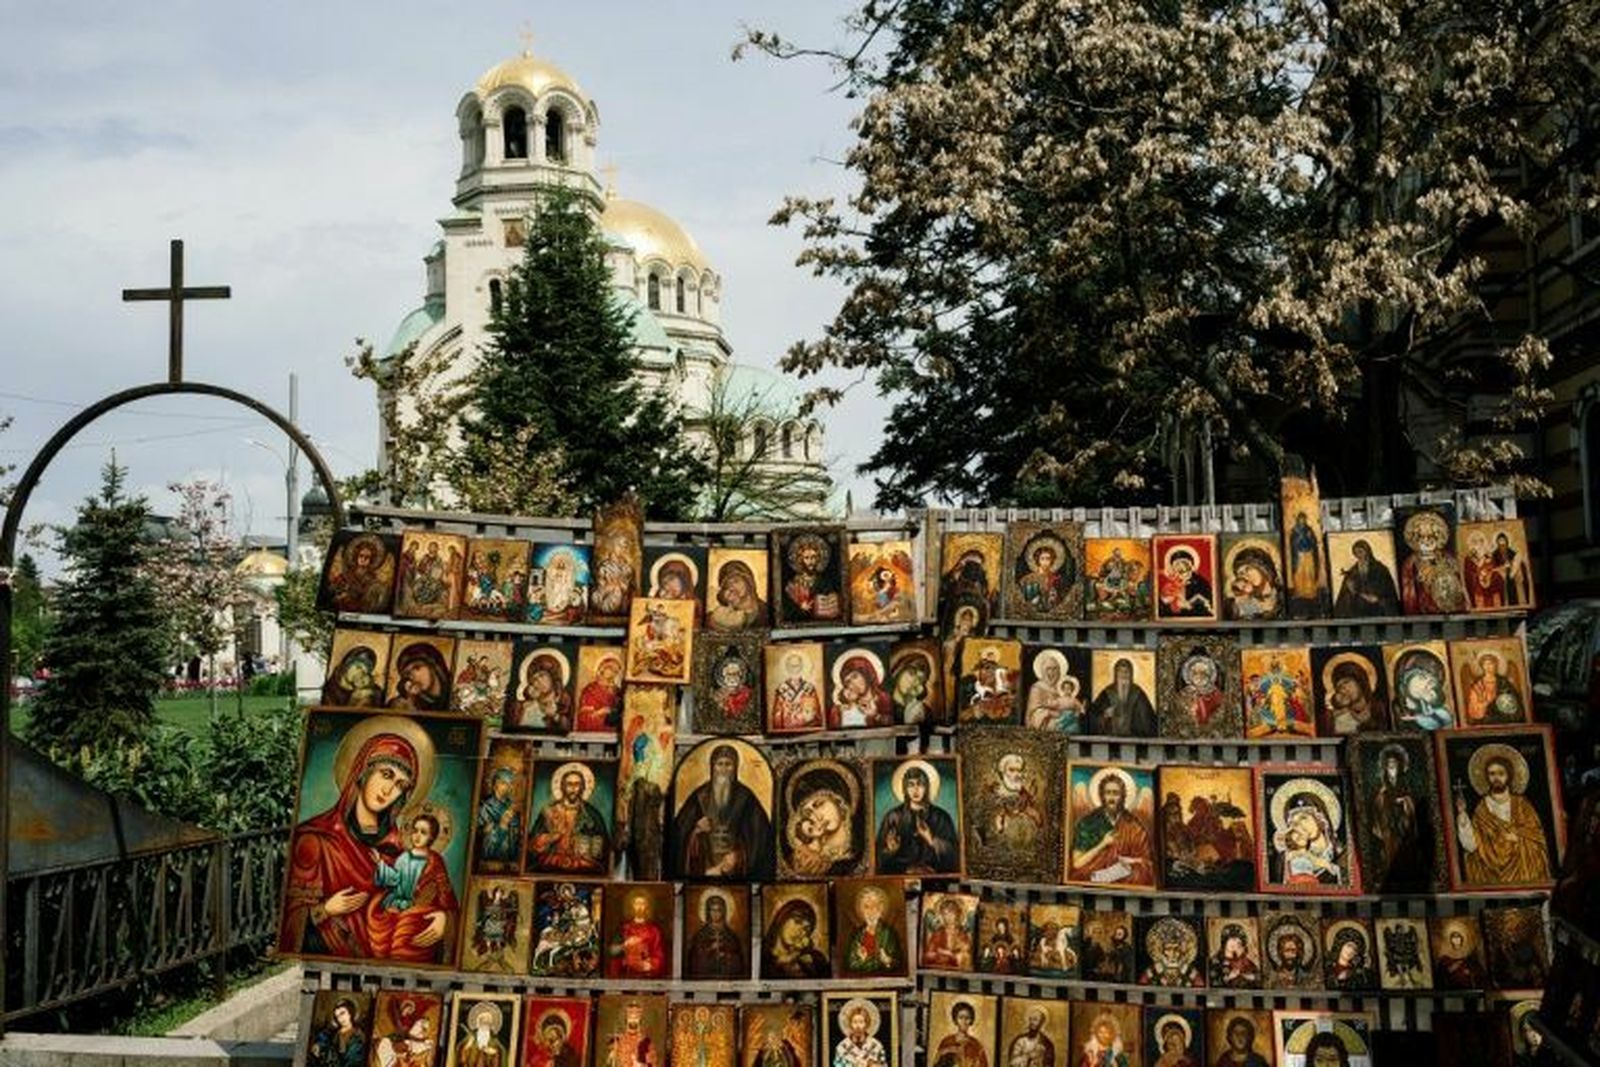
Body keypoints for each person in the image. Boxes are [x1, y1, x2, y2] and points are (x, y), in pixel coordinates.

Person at [279, 725, 458, 964]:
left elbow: (441, 902)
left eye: (400, 786)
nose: (389, 790)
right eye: (386, 775)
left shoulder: (403, 847)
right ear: (363, 771)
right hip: (336, 958)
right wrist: (325, 910)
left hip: (396, 961)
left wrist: (444, 920)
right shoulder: (315, 840)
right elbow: (292, 920)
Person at [671, 744, 775, 879]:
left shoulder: (746, 797)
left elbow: (761, 836)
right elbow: (679, 833)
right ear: (712, 767)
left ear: (736, 767)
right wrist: (695, 830)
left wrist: (739, 856)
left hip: (737, 872)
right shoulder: (699, 796)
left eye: (728, 764)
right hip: (704, 869)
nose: (724, 769)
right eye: (719, 764)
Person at [1455, 751, 1553, 885]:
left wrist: (1518, 838)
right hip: (1489, 869)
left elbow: (1537, 836)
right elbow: (1471, 845)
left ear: (1509, 775)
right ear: (1486, 776)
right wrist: (1462, 815)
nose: (1496, 778)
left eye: (1501, 773)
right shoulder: (1482, 808)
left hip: (1522, 866)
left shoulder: (1521, 804)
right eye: (1492, 774)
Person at [1069, 771, 1155, 886]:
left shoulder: (1133, 825)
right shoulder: (1088, 823)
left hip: (1126, 877)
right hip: (1094, 877)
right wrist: (1103, 844)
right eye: (1108, 793)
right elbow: (1077, 864)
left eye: (1116, 793)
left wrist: (1132, 861)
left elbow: (1148, 862)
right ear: (1101, 796)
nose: (1111, 798)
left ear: (1123, 796)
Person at [875, 762, 961, 875]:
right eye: (911, 785)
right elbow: (878, 858)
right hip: (901, 876)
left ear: (927, 787)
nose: (915, 789)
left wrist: (931, 840)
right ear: (905, 788)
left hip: (935, 878)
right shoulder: (893, 817)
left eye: (920, 784)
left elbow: (954, 856)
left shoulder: (941, 816)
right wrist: (890, 851)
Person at [527, 765, 611, 874]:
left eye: (577, 785)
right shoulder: (548, 811)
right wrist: (552, 837)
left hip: (582, 864)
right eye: (569, 784)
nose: (573, 789)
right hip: (552, 862)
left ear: (583, 787)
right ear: (562, 786)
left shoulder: (592, 814)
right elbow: (532, 843)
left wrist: (588, 847)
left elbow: (604, 846)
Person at [1368, 745, 1429, 890]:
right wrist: (1382, 799)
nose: (1391, 768)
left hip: (1404, 824)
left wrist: (1405, 802)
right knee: (1390, 850)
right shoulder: (1382, 786)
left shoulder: (1406, 783)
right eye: (1389, 765)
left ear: (1399, 766)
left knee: (1407, 851)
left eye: (1394, 765)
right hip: (1389, 825)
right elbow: (1378, 803)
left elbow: (1412, 801)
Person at [976, 754, 1044, 852]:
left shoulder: (1024, 794)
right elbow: (983, 822)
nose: (1016, 775)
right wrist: (998, 821)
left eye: (1019, 770)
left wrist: (1032, 815)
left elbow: (1037, 821)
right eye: (1012, 770)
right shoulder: (992, 793)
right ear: (1002, 772)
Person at [1087, 658, 1157, 737]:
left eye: (1126, 672)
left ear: (1131, 674)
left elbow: (1148, 721)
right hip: (1110, 740)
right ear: (1116, 674)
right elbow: (1092, 718)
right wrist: (1105, 716)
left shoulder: (1138, 693)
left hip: (1134, 740)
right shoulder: (1107, 693)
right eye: (1120, 671)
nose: (1123, 675)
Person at [761, 898, 830, 978]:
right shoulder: (763, 955)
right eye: (797, 921)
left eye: (806, 929)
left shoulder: (815, 959)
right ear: (781, 919)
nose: (800, 931)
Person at [842, 885, 903, 976]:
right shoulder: (857, 935)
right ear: (861, 910)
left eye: (875, 906)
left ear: (880, 909)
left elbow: (898, 962)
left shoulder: (889, 933)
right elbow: (850, 964)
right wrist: (862, 959)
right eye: (866, 907)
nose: (871, 912)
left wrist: (887, 960)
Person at [685, 893, 746, 979]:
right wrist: (709, 950)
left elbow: (738, 962)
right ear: (708, 912)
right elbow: (694, 960)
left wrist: (726, 955)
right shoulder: (700, 935)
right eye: (712, 910)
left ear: (724, 912)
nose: (715, 913)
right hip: (704, 981)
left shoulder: (731, 936)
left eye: (719, 910)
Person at [1333, 538, 1400, 616]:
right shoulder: (1352, 572)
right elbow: (1343, 598)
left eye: (1361, 552)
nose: (1359, 556)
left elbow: (1389, 591)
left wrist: (1378, 598)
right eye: (1356, 553)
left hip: (1377, 609)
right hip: (1358, 610)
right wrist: (1350, 590)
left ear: (1367, 551)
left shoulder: (1380, 569)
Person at [606, 892, 667, 978]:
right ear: (632, 906)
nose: (639, 907)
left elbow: (659, 956)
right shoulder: (624, 929)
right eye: (637, 903)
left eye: (642, 904)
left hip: (646, 975)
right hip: (626, 974)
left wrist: (650, 964)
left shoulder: (654, 931)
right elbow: (612, 951)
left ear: (647, 907)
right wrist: (625, 945)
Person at [1461, 651, 1526, 725]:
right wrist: (1485, 704)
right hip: (1486, 719)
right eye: (1485, 664)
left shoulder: (1504, 682)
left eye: (1491, 664)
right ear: (1482, 666)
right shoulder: (1478, 685)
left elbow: (1514, 702)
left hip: (1504, 717)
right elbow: (1473, 708)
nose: (1488, 667)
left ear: (1496, 665)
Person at [475, 768, 522, 867]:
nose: (507, 787)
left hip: (509, 856)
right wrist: (500, 826)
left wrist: (515, 827)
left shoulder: (510, 806)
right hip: (490, 857)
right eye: (503, 783)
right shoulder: (485, 806)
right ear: (494, 785)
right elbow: (480, 832)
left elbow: (516, 831)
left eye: (509, 784)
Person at [831, 655, 894, 728]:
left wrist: (876, 716)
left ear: (866, 674)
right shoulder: (840, 710)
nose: (853, 684)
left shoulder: (885, 699)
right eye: (848, 682)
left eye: (855, 676)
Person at [1026, 653, 1084, 732]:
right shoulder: (1037, 688)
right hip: (1046, 724)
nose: (1052, 672)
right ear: (1043, 671)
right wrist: (1049, 713)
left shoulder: (1062, 687)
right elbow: (1033, 714)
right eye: (1048, 669)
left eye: (1055, 669)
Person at [771, 653, 824, 731]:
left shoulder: (809, 688)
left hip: (807, 727)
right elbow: (777, 716)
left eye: (797, 666)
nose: (794, 669)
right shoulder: (781, 689)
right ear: (787, 668)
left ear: (801, 667)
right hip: (787, 729)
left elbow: (816, 714)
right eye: (791, 666)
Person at [709, 559, 766, 631]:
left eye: (736, 581)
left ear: (748, 582)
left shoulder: (765, 612)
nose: (732, 588)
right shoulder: (719, 616)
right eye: (727, 585)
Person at [308, 997, 366, 1067]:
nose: (340, 1019)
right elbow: (323, 1039)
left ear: (350, 1012)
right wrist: (318, 1045)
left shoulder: (358, 1035)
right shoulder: (333, 1033)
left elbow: (354, 1059)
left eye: (342, 1013)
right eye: (337, 1016)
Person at [921, 897, 973, 970]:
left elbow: (968, 955)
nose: (948, 917)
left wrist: (951, 955)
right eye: (945, 914)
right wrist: (940, 954)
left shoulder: (962, 934)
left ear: (957, 914)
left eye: (951, 913)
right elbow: (927, 955)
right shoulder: (938, 933)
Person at [1158, 548, 1213, 618]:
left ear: (1191, 566)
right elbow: (1162, 608)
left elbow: (1208, 605)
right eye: (1179, 568)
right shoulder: (1170, 584)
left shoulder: (1201, 583)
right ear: (1174, 569)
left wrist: (1189, 605)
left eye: (1185, 566)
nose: (1183, 571)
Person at [933, 1001, 990, 1067]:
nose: (964, 1022)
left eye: (967, 1018)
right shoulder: (947, 1042)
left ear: (971, 1020)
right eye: (961, 1018)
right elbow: (937, 1064)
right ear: (955, 1020)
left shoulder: (976, 1045)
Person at [576, 654, 623, 732]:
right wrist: (601, 712)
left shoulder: (617, 691)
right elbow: (584, 718)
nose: (613, 673)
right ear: (602, 669)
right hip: (594, 732)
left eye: (616, 671)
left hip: (612, 731)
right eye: (610, 668)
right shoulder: (590, 690)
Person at [833, 1002, 888, 1067]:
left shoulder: (876, 1046)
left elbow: (883, 1065)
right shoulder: (842, 1047)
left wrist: (870, 1065)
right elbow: (837, 1065)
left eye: (861, 1022)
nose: (858, 1026)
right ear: (850, 1024)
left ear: (867, 1024)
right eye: (855, 1022)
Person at [707, 654, 757, 725]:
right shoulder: (719, 694)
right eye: (729, 674)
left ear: (740, 675)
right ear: (723, 675)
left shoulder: (745, 693)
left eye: (735, 674)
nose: (732, 678)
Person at [455, 1001, 508, 1067]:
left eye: (488, 1021)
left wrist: (493, 1052)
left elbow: (501, 1052)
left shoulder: (494, 1040)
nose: (485, 1023)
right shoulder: (471, 1037)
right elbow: (461, 1053)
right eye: (483, 1020)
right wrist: (468, 1045)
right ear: (478, 1022)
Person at [1287, 511, 1322, 605]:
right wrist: (1297, 539)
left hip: (1308, 553)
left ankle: (1310, 592)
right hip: (1299, 554)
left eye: (1303, 519)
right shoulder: (1294, 530)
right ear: (1298, 520)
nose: (1302, 521)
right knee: (1299, 572)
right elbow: (1292, 543)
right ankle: (1299, 591)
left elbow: (1314, 542)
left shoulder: (1309, 530)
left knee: (1308, 572)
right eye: (1300, 519)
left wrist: (1310, 538)